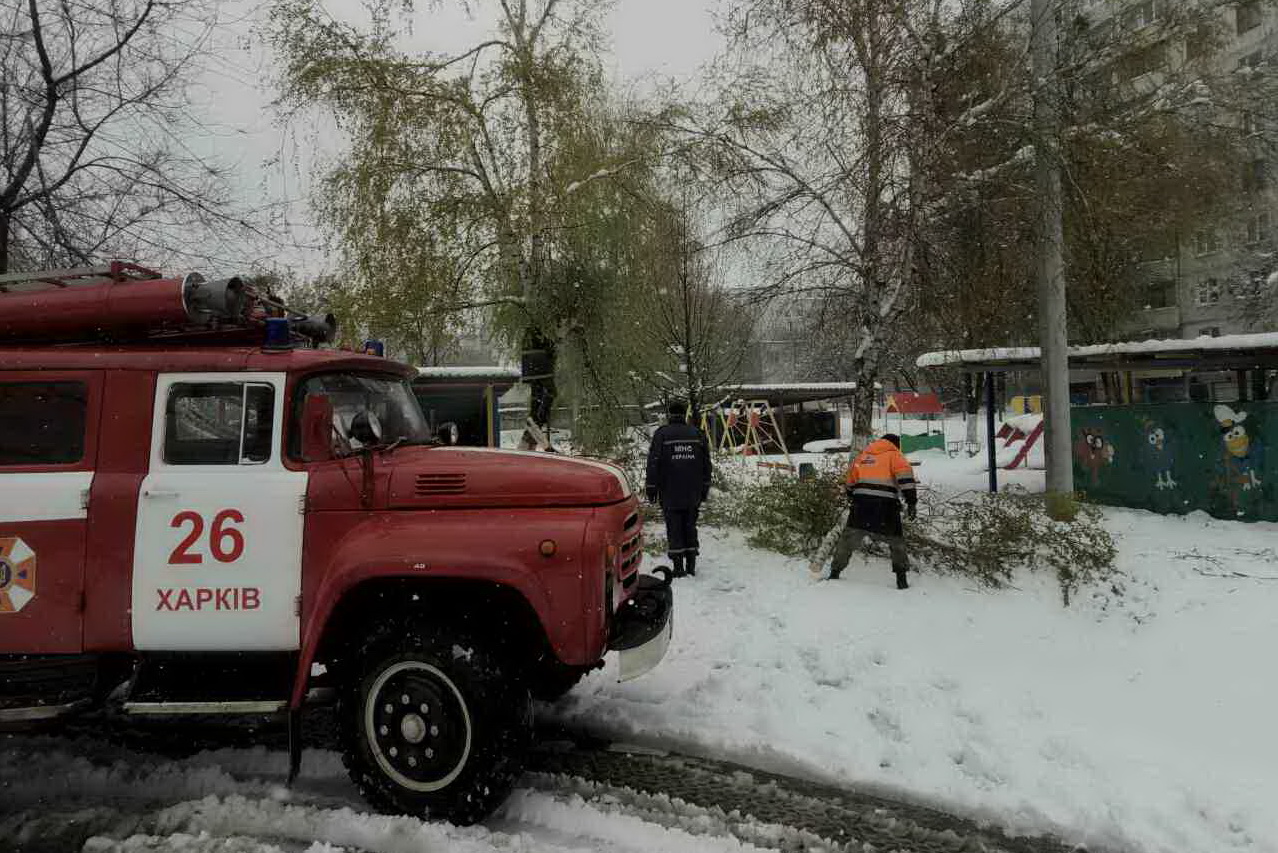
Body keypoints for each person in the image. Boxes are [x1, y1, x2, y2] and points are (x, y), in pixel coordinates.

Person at [827, 433, 918, 589]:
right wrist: (911, 503)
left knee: (847, 539)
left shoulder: (863, 456)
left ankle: (835, 572)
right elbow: (906, 479)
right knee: (896, 542)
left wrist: (853, 497)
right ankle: (901, 580)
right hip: (886, 507)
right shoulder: (895, 455)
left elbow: (850, 481)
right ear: (895, 444)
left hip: (861, 505)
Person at [646, 400, 712, 577]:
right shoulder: (697, 433)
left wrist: (651, 487)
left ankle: (678, 567)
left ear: (669, 414)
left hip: (670, 491)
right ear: (685, 415)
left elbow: (654, 463)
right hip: (693, 491)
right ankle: (691, 564)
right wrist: (705, 487)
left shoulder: (662, 434)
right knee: (690, 525)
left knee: (674, 527)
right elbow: (706, 463)